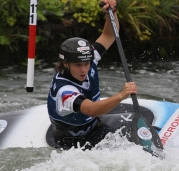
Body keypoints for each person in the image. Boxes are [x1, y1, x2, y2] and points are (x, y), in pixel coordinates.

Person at [47, 0, 137, 150]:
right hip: (72, 144)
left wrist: (111, 13)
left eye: (86, 64)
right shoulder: (64, 91)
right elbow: (90, 109)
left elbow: (108, 35)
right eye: (78, 65)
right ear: (65, 64)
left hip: (94, 127)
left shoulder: (89, 57)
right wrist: (122, 95)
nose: (84, 70)